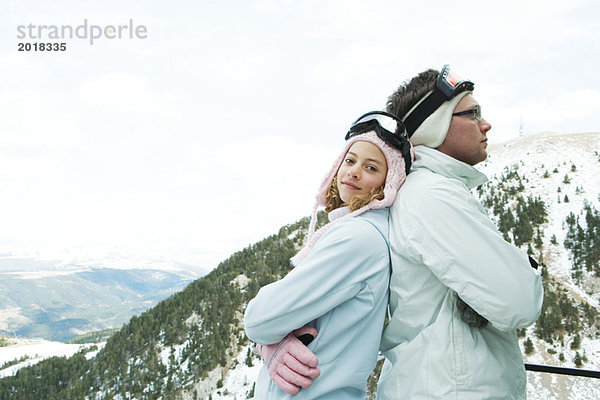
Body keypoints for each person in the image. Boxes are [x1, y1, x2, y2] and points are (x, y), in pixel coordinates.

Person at [376, 65, 544, 399]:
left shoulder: (435, 191)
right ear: (433, 127)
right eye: (472, 113)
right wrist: (527, 269)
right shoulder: (432, 196)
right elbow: (520, 301)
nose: (486, 124)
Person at [243, 111, 413, 399]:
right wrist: (271, 342)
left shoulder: (357, 239)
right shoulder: (359, 231)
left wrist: (266, 338)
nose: (354, 171)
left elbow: (260, 320)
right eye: (350, 160)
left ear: (389, 183)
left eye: (371, 168)